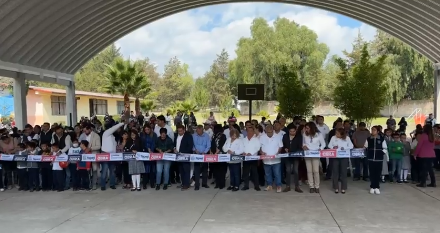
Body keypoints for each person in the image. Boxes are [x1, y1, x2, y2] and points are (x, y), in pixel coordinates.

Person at [302, 122, 326, 193]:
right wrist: (304, 146)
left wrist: (320, 149)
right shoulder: (304, 134)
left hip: (316, 154)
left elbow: (323, 144)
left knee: (316, 171)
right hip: (308, 154)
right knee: (309, 171)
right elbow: (303, 143)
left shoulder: (318, 134)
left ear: (312, 128)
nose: (306, 129)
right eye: (306, 128)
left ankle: (317, 186)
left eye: (307, 128)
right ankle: (311, 186)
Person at [328, 128, 353, 194]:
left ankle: (343, 188)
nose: (336, 134)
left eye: (338, 133)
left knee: (343, 173)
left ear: (342, 134)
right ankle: (336, 187)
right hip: (335, 157)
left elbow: (351, 146)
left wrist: (344, 148)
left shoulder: (347, 138)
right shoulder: (333, 137)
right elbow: (329, 145)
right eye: (336, 133)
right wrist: (333, 147)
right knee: (335, 172)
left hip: (344, 157)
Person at [100, 122, 124, 191]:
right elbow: (114, 128)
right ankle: (103, 185)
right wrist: (122, 123)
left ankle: (112, 184)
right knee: (104, 171)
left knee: (112, 171)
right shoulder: (106, 133)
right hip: (105, 154)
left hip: (113, 155)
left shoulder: (113, 137)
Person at [260, 124, 284, 193]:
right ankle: (269, 185)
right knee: (267, 173)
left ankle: (278, 185)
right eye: (268, 132)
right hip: (266, 159)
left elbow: (280, 146)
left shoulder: (278, 136)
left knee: (277, 173)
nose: (269, 133)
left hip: (276, 159)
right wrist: (262, 152)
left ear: (273, 130)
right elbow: (260, 147)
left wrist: (277, 152)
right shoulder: (262, 137)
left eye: (270, 132)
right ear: (266, 131)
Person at [365, 126, 388, 195]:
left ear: (378, 131)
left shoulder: (381, 139)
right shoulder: (368, 139)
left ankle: (377, 187)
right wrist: (368, 153)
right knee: (372, 173)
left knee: (378, 173)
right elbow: (365, 147)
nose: (373, 131)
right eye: (372, 130)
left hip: (379, 159)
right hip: (371, 159)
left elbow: (385, 148)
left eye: (374, 130)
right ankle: (372, 187)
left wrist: (380, 153)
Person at [281, 124, 303, 193]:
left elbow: (300, 147)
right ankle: (288, 186)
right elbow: (283, 145)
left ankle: (297, 186)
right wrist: (285, 149)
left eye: (294, 131)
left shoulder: (299, 137)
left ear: (296, 131)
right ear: (289, 131)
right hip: (287, 156)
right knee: (288, 170)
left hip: (295, 156)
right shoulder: (285, 136)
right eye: (291, 131)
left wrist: (291, 151)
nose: (292, 133)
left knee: (296, 171)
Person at [79, 124, 101, 190]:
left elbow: (98, 146)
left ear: (90, 130)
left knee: (94, 170)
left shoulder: (96, 136)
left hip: (93, 155)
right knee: (86, 170)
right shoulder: (83, 136)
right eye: (84, 131)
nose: (85, 132)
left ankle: (94, 184)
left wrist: (90, 148)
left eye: (86, 131)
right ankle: (87, 184)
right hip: (85, 155)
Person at [241, 122, 261, 191]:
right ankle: (246, 185)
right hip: (245, 158)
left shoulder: (256, 139)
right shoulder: (243, 139)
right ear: (246, 132)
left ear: (253, 132)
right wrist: (243, 152)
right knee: (245, 172)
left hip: (253, 158)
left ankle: (256, 186)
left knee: (254, 172)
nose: (249, 132)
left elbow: (258, 148)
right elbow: (241, 147)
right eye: (248, 131)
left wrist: (251, 153)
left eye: (251, 131)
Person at [174, 124, 194, 191]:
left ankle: (187, 184)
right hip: (178, 156)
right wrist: (174, 149)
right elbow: (175, 144)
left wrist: (183, 152)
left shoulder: (188, 136)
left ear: (184, 130)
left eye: (181, 131)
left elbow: (190, 146)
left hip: (185, 156)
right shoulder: (176, 136)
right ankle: (183, 183)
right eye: (178, 131)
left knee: (186, 171)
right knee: (181, 171)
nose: (179, 132)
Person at [192, 125, 210, 190]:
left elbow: (208, 145)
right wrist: (194, 150)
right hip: (196, 155)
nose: (198, 132)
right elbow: (192, 145)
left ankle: (204, 183)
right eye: (197, 131)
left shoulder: (206, 136)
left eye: (199, 131)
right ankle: (197, 185)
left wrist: (204, 152)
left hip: (204, 155)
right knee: (197, 170)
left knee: (205, 170)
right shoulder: (194, 136)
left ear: (202, 130)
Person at [210, 124, 227, 189]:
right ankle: (217, 183)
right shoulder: (214, 136)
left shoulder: (223, 136)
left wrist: (217, 152)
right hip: (215, 155)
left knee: (222, 170)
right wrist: (211, 151)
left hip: (221, 155)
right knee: (216, 170)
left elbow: (222, 145)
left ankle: (221, 184)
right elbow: (212, 144)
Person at [141, 124, 156, 189]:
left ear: (150, 129)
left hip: (152, 154)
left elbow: (154, 143)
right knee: (145, 169)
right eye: (145, 130)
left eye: (148, 129)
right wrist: (147, 149)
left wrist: (151, 150)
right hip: (145, 154)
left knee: (152, 169)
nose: (147, 131)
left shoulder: (154, 135)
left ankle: (152, 183)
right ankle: (144, 183)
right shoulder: (142, 135)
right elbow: (142, 144)